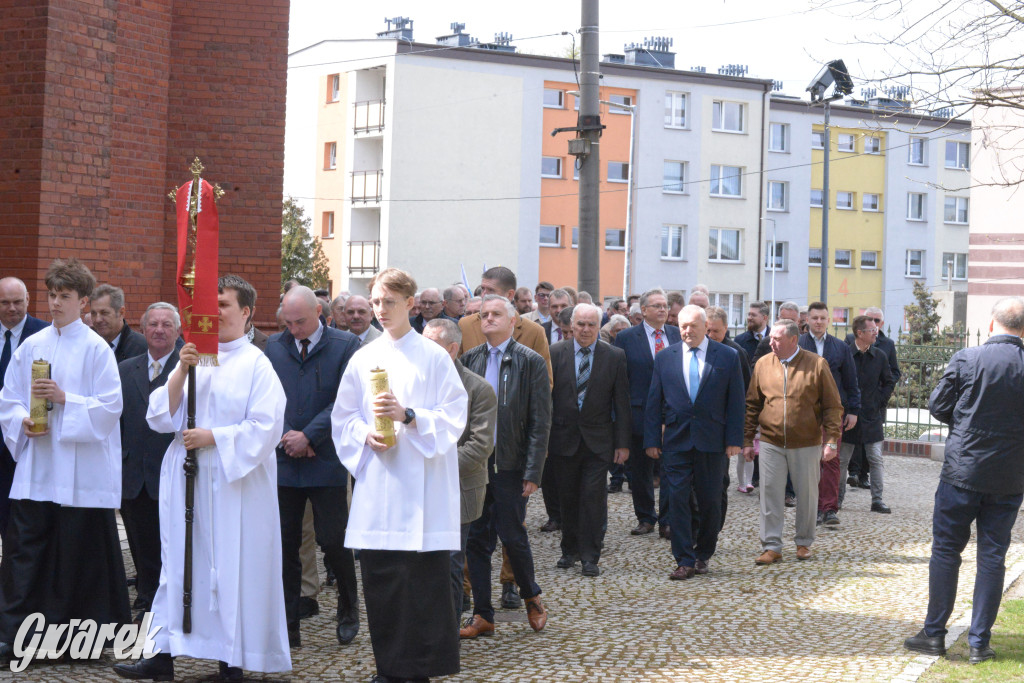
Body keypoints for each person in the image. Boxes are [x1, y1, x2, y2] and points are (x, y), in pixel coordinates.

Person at [114, 275, 290, 680]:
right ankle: (162, 654)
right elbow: (159, 415)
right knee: (178, 562)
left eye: (223, 305)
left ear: (246, 312)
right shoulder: (196, 357)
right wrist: (180, 368)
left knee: (228, 566)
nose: (214, 313)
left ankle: (231, 661)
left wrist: (214, 437)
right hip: (186, 475)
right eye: (210, 305)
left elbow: (266, 426)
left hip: (233, 482)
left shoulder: (256, 364)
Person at [331, 268, 467, 682]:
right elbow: (343, 417)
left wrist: (409, 416)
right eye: (375, 301)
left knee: (423, 588)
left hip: (423, 489)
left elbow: (454, 415)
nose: (380, 309)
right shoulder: (363, 357)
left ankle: (419, 670)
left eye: (388, 302)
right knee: (382, 583)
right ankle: (388, 669)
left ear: (410, 303)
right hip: (380, 486)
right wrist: (365, 434)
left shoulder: (434, 357)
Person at [0, 259, 129, 660]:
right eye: (52, 295)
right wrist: (22, 421)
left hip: (80, 472)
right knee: (25, 551)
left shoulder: (96, 349)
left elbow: (110, 407)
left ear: (83, 301)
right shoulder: (33, 345)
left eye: (65, 296)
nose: (55, 303)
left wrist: (64, 399)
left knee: (76, 555)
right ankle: (16, 635)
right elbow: (9, 396)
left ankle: (76, 641)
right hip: (38, 466)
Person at [902, 297, 1024, 664]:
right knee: (992, 556)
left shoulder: (967, 358)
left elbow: (938, 406)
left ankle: (934, 633)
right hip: (1009, 476)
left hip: (963, 470)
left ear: (991, 324)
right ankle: (979, 642)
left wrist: (967, 419)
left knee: (946, 550)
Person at [267, 286, 362, 649]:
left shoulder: (345, 345)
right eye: (288, 323)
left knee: (334, 540)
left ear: (320, 312)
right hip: (285, 458)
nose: (294, 330)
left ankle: (348, 607)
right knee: (285, 543)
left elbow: (345, 400)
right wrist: (289, 436)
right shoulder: (275, 346)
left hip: (325, 459)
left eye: (301, 322)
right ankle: (289, 621)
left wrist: (309, 435)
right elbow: (268, 398)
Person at [460, 295, 550, 638]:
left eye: (496, 314)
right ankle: (483, 614)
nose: (488, 319)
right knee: (476, 539)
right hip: (476, 462)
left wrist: (533, 471)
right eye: (483, 314)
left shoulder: (530, 361)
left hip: (510, 464)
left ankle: (531, 596)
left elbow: (540, 420)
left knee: (512, 534)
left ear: (513, 321)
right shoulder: (470, 359)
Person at [645, 305, 745, 579]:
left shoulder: (727, 356)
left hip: (712, 441)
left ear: (704, 326)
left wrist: (734, 439)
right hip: (676, 440)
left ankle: (703, 553)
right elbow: (654, 401)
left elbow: (736, 401)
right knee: (676, 499)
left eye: (693, 326)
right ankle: (684, 559)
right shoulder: (665, 357)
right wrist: (652, 439)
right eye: (683, 326)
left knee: (710, 500)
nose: (687, 331)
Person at [744, 320, 842, 565]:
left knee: (807, 495)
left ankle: (804, 542)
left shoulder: (817, 364)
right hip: (771, 440)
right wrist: (747, 439)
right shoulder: (763, 364)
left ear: (793, 340)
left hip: (806, 442)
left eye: (777, 339)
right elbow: (752, 404)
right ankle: (771, 546)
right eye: (771, 338)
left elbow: (832, 406)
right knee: (769, 494)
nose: (771, 343)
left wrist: (831, 440)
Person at [423, 318, 496, 620]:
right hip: (419, 487)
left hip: (458, 487)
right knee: (421, 563)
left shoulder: (478, 389)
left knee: (451, 562)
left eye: (431, 345)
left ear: (452, 349)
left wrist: (435, 467)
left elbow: (480, 445)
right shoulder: (414, 383)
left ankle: (448, 632)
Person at [549, 304, 629, 577]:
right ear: (571, 325)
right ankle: (569, 550)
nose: (585, 330)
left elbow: (621, 402)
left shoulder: (614, 356)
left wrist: (622, 444)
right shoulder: (555, 353)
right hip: (563, 439)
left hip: (599, 441)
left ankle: (590, 556)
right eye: (580, 324)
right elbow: (547, 400)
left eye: (591, 324)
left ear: (599, 326)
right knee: (568, 497)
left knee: (593, 499)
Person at [118, 302, 181, 622]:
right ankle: (145, 596)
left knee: (169, 540)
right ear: (142, 329)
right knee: (139, 539)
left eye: (167, 325)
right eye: (153, 324)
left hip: (172, 472)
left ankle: (169, 600)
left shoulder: (189, 368)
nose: (159, 330)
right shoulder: (125, 369)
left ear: (178, 331)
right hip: (133, 472)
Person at [613, 288, 681, 537]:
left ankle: (668, 520)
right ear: (643, 310)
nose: (663, 309)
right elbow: (621, 379)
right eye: (657, 306)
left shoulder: (676, 334)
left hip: (672, 412)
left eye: (665, 305)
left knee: (671, 469)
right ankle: (645, 517)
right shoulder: (627, 338)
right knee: (640, 471)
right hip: (639, 413)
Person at [800, 302, 860, 528]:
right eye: (814, 318)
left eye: (822, 318)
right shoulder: (798, 344)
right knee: (810, 461)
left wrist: (853, 410)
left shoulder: (840, 347)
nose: (818, 322)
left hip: (833, 412)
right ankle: (813, 507)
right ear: (807, 319)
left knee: (831, 459)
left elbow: (851, 381)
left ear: (828, 320)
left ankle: (829, 509)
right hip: (804, 413)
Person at [0, 277, 48, 544]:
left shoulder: (46, 335)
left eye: (18, 301)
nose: (12, 308)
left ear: (28, 299)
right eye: (5, 302)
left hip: (27, 439)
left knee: (21, 522)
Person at [838, 315, 895, 514]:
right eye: (872, 330)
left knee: (876, 459)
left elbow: (889, 381)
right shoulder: (845, 354)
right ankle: (837, 500)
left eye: (876, 329)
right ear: (860, 333)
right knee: (842, 460)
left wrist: (879, 401)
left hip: (871, 415)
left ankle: (877, 500)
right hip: (848, 416)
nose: (876, 333)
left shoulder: (879, 355)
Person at [845, 306, 901, 489]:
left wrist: (880, 398)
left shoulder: (887, 345)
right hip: (852, 404)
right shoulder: (849, 342)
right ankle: (853, 473)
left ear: (882, 323)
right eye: (871, 320)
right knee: (851, 442)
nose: (874, 325)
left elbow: (893, 374)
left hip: (873, 403)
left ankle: (864, 476)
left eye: (877, 321)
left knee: (871, 446)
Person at [91, 283, 148, 363]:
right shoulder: (88, 346)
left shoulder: (142, 347)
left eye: (104, 313)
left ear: (121, 313)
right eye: (93, 313)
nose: (97, 319)